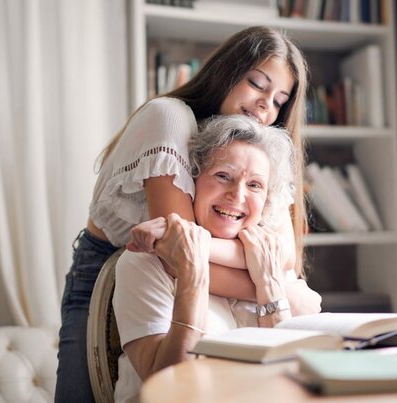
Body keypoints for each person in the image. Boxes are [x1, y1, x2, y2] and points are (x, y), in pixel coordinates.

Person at [55, 26, 321, 403]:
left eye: (280, 100)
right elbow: (183, 254)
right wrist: (275, 284)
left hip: (184, 271)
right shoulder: (169, 117)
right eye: (257, 84)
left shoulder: (255, 148)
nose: (266, 106)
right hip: (110, 270)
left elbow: (284, 254)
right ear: (225, 73)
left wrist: (274, 274)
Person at [114, 115, 299, 402]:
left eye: (254, 185)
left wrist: (270, 283)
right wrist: (192, 272)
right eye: (223, 176)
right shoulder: (145, 263)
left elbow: (288, 376)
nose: (237, 195)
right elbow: (170, 386)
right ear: (194, 181)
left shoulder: (267, 261)